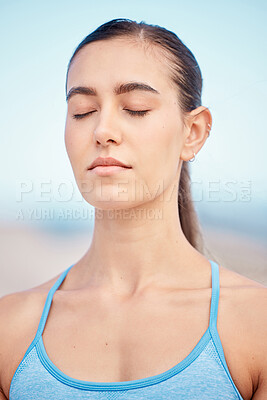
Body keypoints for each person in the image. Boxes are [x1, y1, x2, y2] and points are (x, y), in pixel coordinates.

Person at [0, 18, 266, 400]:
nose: (102, 130)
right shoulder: (10, 329)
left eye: (136, 108)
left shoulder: (257, 324)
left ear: (193, 133)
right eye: (82, 110)